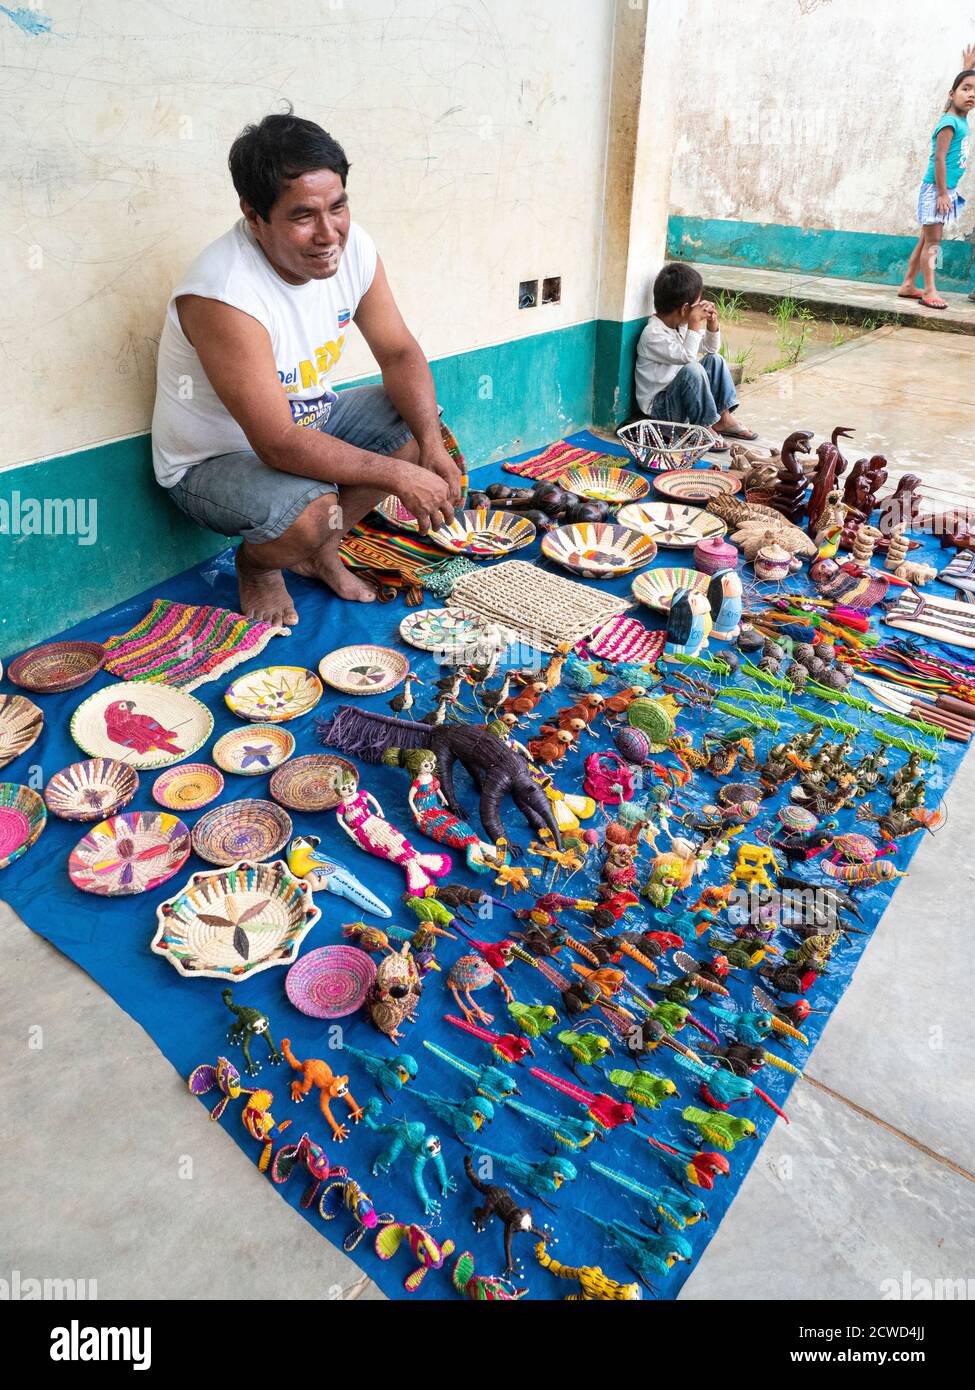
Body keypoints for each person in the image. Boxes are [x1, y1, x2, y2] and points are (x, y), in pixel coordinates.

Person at [151, 109, 464, 627]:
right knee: (311, 510)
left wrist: (428, 447)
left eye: (337, 207)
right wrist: (399, 475)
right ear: (254, 216)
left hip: (307, 424)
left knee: (410, 422)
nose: (328, 234)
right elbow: (275, 441)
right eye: (302, 217)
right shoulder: (224, 293)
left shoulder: (354, 245)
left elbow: (399, 353)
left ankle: (322, 550)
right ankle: (258, 565)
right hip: (214, 462)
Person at [633, 263, 756, 449]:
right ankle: (703, 426)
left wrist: (712, 325)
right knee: (693, 369)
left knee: (715, 360)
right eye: (696, 304)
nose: (700, 307)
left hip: (678, 399)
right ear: (684, 309)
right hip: (660, 410)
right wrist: (694, 323)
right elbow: (688, 359)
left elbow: (711, 348)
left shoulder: (680, 327)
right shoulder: (653, 335)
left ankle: (723, 419)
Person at [898, 66, 975, 309]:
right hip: (936, 190)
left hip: (945, 189)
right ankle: (929, 290)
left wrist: (968, 70)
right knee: (934, 243)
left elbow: (961, 91)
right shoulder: (949, 123)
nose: (972, 94)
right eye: (966, 89)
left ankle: (909, 283)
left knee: (926, 239)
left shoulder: (960, 119)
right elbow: (939, 158)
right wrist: (942, 193)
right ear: (951, 94)